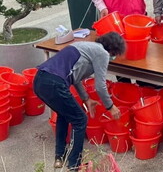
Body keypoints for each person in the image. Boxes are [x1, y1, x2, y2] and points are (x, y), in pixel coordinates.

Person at [33, 32, 125, 170]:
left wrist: (86, 98)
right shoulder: (102, 53)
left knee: (64, 115)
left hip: (39, 80)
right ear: (113, 49)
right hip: (55, 83)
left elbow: (75, 77)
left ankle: (59, 157)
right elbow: (100, 86)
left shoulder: (83, 46)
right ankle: (74, 164)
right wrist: (110, 106)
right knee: (80, 120)